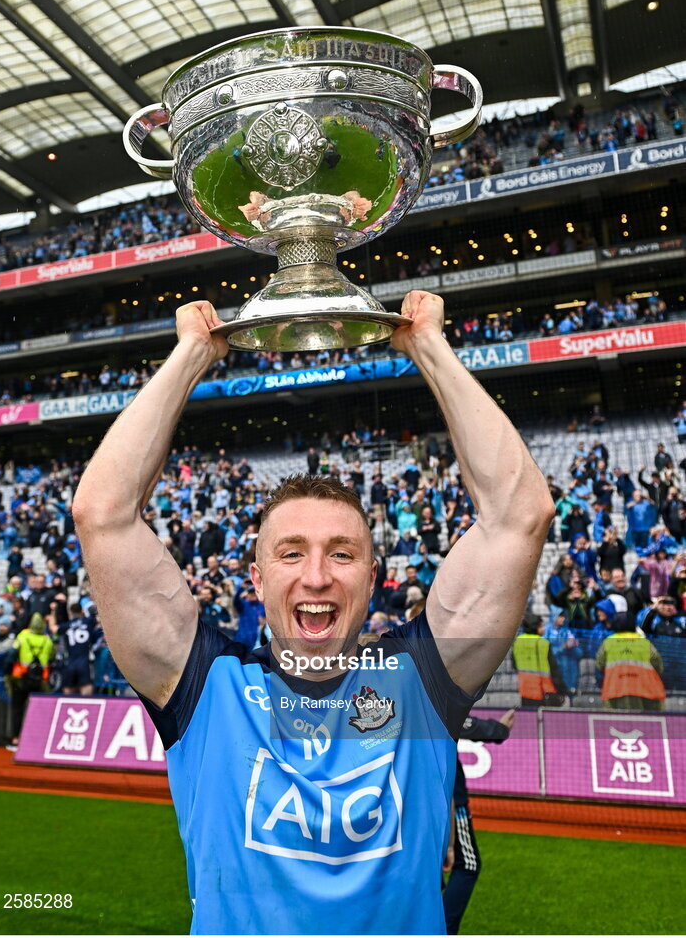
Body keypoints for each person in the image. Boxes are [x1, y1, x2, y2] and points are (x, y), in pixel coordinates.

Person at [72, 292, 554, 936]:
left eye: (343, 553)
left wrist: (428, 347)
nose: (318, 576)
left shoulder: (421, 684)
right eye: (291, 553)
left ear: (375, 576)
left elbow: (520, 516)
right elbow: (101, 515)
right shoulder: (204, 689)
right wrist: (192, 354)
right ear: (257, 577)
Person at [443, 709, 515, 935]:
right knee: (469, 865)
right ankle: (442, 929)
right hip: (448, 802)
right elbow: (465, 723)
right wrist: (501, 729)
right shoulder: (433, 697)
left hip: (409, 805)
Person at [595, 612, 666, 710]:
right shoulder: (644, 642)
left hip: (615, 689)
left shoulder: (608, 642)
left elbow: (599, 665)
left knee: (618, 722)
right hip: (645, 689)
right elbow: (658, 665)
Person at [7, 612, 54, 750]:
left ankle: (15, 739)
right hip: (40, 680)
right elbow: (52, 657)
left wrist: (7, 673)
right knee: (38, 711)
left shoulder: (23, 636)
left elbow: (11, 655)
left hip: (20, 679)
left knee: (17, 709)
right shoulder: (48, 640)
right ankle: (35, 740)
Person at [511, 613, 566, 706]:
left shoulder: (517, 641)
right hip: (543, 690)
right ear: (535, 627)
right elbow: (554, 669)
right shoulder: (543, 643)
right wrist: (562, 689)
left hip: (525, 689)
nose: (543, 628)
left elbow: (514, 664)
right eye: (541, 626)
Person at [58, 602, 101, 695]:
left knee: (68, 688)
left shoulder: (66, 625)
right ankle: (86, 705)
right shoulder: (88, 621)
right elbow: (99, 620)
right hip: (84, 660)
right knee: (86, 685)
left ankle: (66, 706)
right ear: (82, 611)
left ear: (70, 612)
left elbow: (53, 628)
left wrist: (53, 612)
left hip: (70, 660)